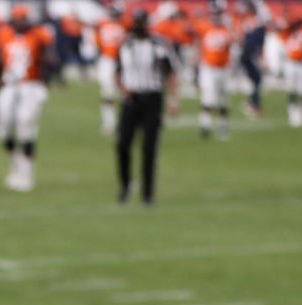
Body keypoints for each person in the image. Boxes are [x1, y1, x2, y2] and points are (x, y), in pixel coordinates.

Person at [115, 9, 180, 206]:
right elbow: (117, 72)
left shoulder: (158, 45)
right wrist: (122, 89)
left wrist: (173, 99)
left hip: (152, 97)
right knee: (122, 143)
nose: (139, 25)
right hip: (131, 99)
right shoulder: (126, 45)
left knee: (149, 148)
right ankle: (126, 185)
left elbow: (170, 73)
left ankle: (147, 194)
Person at [0, 5, 57, 192]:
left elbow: (50, 60)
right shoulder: (3, 33)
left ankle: (26, 173)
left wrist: (47, 78)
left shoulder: (39, 35)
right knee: (4, 129)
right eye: (18, 18)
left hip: (31, 86)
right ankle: (16, 164)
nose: (21, 22)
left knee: (25, 128)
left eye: (24, 18)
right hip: (8, 85)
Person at [195, 6, 235, 139]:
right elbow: (197, 41)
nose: (216, 17)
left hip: (223, 68)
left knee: (223, 99)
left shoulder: (226, 29)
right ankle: (205, 125)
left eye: (218, 14)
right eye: (214, 14)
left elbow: (232, 44)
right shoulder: (204, 28)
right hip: (209, 68)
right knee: (208, 96)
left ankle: (223, 127)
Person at [96, 3, 128, 135]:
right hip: (114, 61)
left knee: (111, 94)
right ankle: (112, 123)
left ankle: (111, 123)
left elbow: (99, 44)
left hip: (111, 61)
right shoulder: (122, 26)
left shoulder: (105, 25)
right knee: (113, 94)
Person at [286, 18, 302, 127]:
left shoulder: (299, 36)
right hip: (293, 64)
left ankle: (300, 112)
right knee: (292, 89)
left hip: (301, 64)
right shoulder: (292, 36)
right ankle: (293, 112)